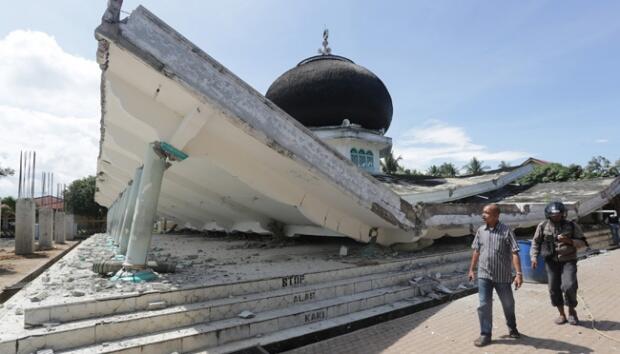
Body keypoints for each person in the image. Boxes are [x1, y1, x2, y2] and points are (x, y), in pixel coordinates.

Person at [468, 203, 523, 347]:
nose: (483, 215)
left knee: (508, 303)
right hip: (484, 274)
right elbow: (476, 251)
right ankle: (485, 334)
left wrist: (518, 273)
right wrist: (471, 269)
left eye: (487, 212)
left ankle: (512, 326)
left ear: (496, 215)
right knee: (484, 304)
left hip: (502, 276)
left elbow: (514, 252)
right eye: (483, 212)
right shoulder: (481, 230)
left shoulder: (506, 231)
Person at [530, 201, 587, 325]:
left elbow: (583, 243)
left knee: (569, 285)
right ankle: (561, 314)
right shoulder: (543, 225)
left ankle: (572, 311)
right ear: (548, 215)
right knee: (553, 288)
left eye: (559, 214)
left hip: (568, 260)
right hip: (551, 262)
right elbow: (536, 242)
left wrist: (569, 240)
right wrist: (533, 257)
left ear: (563, 214)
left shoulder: (571, 225)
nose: (556, 217)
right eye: (553, 215)